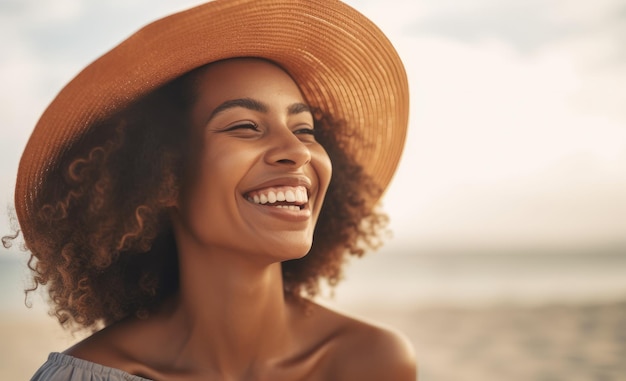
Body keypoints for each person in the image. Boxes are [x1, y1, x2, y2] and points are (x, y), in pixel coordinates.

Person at [11, 0, 414, 379]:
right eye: (244, 126)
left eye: (304, 129)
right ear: (161, 173)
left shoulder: (372, 361)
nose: (297, 152)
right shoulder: (82, 375)